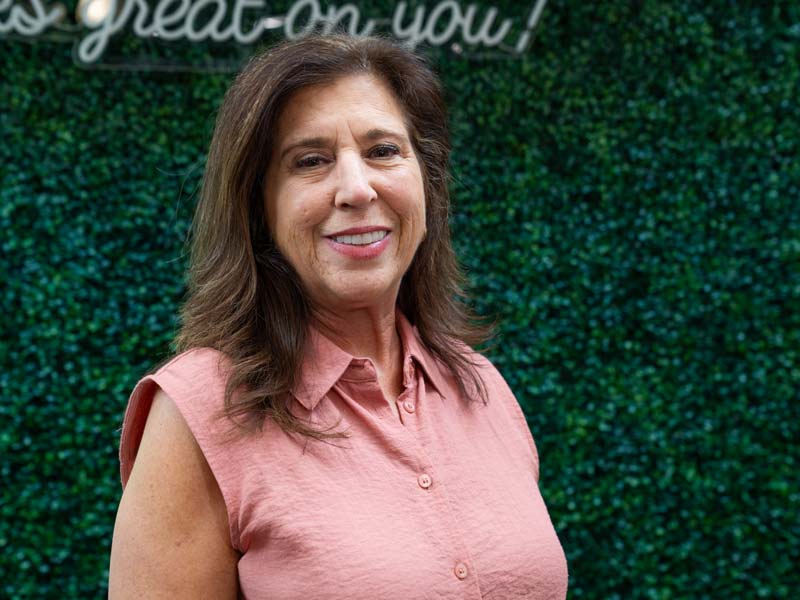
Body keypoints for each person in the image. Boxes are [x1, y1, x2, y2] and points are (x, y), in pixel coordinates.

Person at [108, 34, 568, 599]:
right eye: (311, 161)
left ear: (427, 183)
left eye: (383, 151)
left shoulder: (480, 385)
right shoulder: (201, 411)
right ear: (259, 207)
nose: (356, 188)